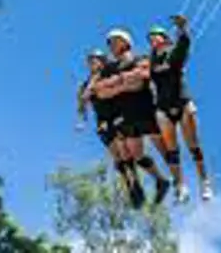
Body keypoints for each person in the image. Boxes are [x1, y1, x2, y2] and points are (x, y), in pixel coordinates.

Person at [148, 14, 213, 202]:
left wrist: (182, 28)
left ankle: (205, 182)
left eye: (156, 36)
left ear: (165, 39)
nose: (153, 40)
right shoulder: (151, 61)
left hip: (182, 103)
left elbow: (184, 45)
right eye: (150, 38)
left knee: (193, 145)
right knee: (172, 151)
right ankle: (181, 185)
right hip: (163, 107)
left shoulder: (174, 54)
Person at [105, 28, 171, 207]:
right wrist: (123, 82)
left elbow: (142, 78)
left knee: (166, 150)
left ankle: (180, 181)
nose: (110, 45)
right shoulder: (111, 68)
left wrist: (117, 84)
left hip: (146, 110)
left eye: (114, 41)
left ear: (126, 42)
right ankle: (161, 180)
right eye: (109, 43)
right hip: (127, 114)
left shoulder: (140, 58)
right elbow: (103, 91)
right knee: (137, 155)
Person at [76, 49, 138, 200]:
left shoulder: (108, 72)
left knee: (123, 149)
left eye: (95, 60)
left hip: (117, 115)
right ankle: (128, 186)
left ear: (102, 61)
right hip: (102, 121)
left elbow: (122, 68)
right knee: (116, 156)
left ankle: (135, 180)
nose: (92, 63)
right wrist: (82, 120)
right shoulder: (85, 85)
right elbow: (81, 106)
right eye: (90, 61)